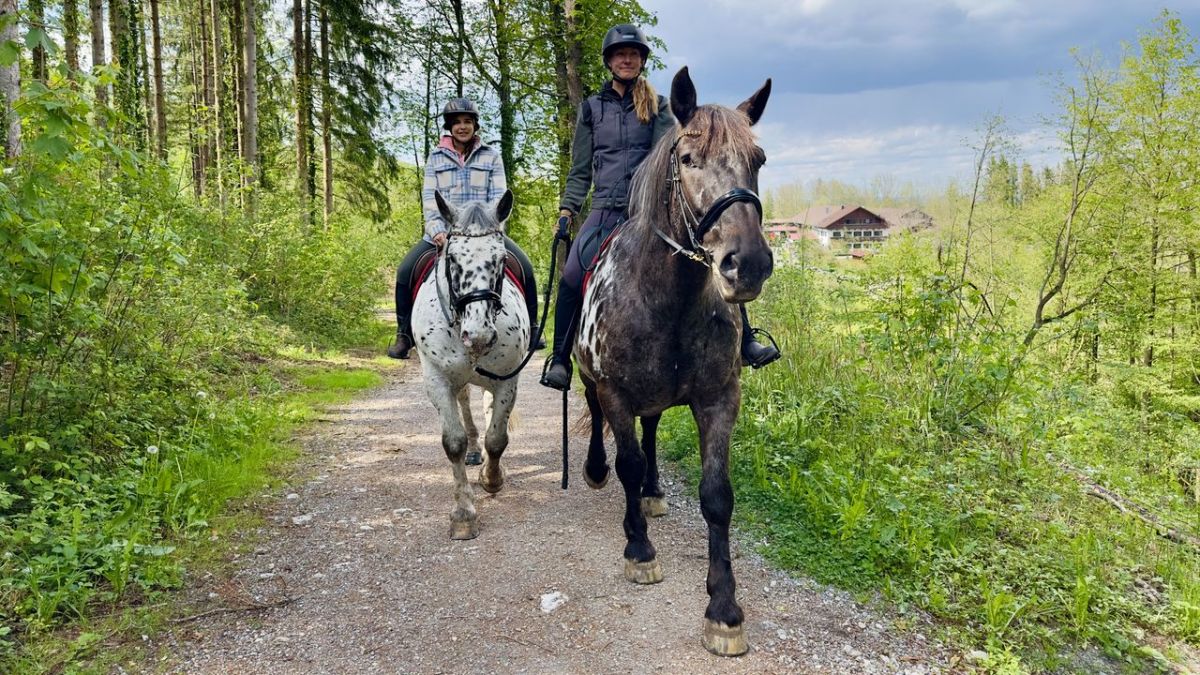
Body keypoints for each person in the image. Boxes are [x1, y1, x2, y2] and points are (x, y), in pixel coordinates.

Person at [539, 24, 780, 392]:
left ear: (641, 61)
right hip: (605, 209)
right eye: (620, 54)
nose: (627, 59)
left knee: (710, 255)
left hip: (646, 209)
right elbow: (580, 169)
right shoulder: (591, 109)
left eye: (633, 54)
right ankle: (560, 357)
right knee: (572, 273)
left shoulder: (659, 106)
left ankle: (745, 339)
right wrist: (567, 210)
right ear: (609, 61)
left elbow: (663, 158)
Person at [387, 97, 540, 362]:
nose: (462, 126)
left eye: (467, 121)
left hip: (484, 234)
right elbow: (430, 199)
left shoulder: (491, 156)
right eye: (457, 122)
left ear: (475, 125)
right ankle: (404, 334)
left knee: (525, 267)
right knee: (405, 271)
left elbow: (499, 197)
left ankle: (534, 328)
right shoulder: (436, 158)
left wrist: (492, 229)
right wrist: (437, 230)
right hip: (445, 234)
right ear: (449, 126)